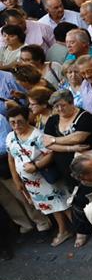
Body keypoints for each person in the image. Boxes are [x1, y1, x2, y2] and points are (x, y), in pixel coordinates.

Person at [4, 104, 72, 246]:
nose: (16, 125)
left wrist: (36, 166)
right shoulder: (10, 137)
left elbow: (51, 153)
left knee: (63, 203)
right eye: (12, 122)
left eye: (19, 121)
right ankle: (64, 230)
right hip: (31, 183)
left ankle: (77, 230)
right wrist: (17, 180)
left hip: (45, 177)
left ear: (27, 119)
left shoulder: (38, 135)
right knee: (50, 205)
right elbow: (11, 159)